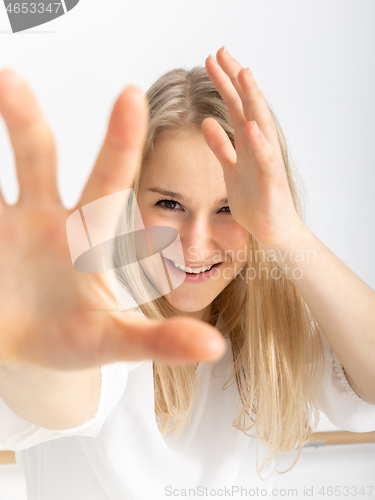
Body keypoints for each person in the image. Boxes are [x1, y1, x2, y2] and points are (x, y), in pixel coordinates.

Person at [0, 47, 374, 500]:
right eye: (169, 204)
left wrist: (288, 233)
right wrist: (38, 343)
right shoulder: (102, 308)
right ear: (130, 202)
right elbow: (60, 396)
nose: (196, 245)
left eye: (228, 209)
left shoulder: (273, 325)